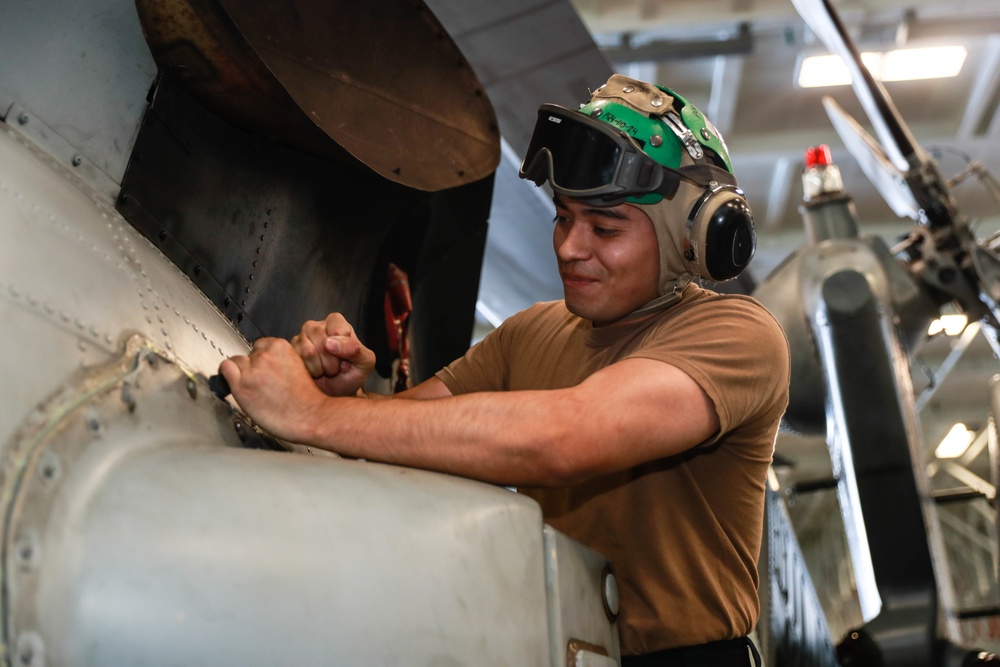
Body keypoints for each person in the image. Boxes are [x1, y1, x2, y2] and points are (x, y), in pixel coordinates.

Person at [219, 74, 790, 666]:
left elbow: (568, 436)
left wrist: (314, 414)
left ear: (691, 242)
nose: (569, 247)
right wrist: (353, 395)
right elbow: (409, 438)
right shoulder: (531, 332)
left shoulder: (738, 336)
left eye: (605, 228)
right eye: (563, 218)